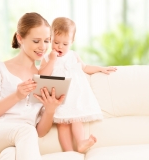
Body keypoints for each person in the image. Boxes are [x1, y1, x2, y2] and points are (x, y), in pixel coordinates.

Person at [0, 12, 65, 160]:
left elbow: (39, 132)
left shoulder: (43, 80)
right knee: (26, 130)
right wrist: (17, 96)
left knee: (10, 155)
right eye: (36, 41)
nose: (43, 47)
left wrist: (50, 110)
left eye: (47, 41)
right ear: (20, 38)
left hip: (15, 142)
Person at [38, 17, 117, 153]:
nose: (60, 47)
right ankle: (69, 152)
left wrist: (100, 68)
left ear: (72, 42)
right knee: (63, 124)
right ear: (50, 39)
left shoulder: (73, 56)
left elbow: (85, 67)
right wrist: (52, 60)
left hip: (74, 96)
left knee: (76, 119)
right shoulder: (47, 58)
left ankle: (81, 142)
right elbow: (42, 75)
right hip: (59, 98)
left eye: (65, 44)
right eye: (56, 42)